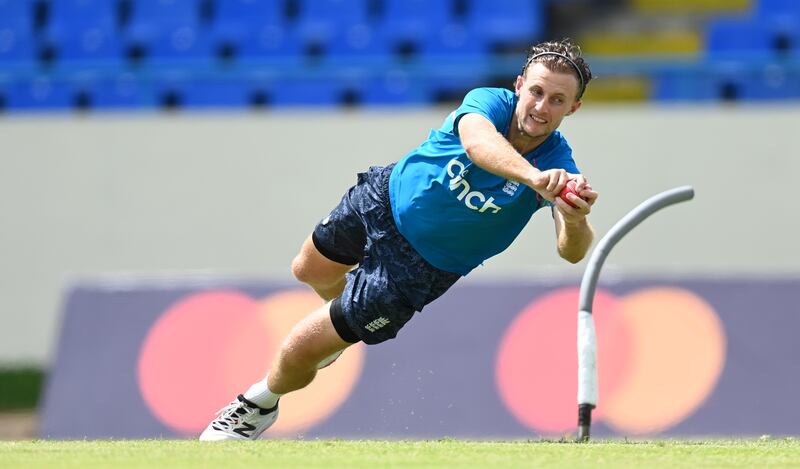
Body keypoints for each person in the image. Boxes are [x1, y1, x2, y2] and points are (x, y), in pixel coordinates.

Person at [199, 38, 598, 441]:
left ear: (573, 108)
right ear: (518, 86)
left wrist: (573, 216)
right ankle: (337, 316)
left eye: (557, 100)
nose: (541, 107)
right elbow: (479, 147)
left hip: (417, 269)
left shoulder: (559, 166)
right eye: (536, 92)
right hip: (383, 198)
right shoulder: (488, 104)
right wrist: (533, 179)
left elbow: (571, 252)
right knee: (307, 268)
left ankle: (257, 404)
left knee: (303, 347)